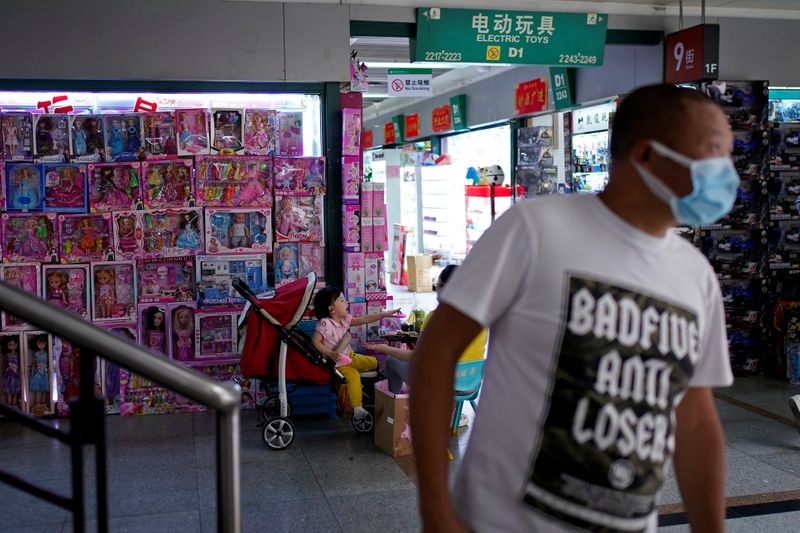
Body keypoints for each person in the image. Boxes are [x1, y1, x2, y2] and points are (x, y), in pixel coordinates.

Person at [410, 84, 738, 533]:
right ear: (646, 156)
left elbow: (696, 417)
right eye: (714, 153)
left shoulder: (696, 276)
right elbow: (437, 351)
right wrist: (436, 509)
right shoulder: (535, 229)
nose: (727, 173)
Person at [363, 265, 487, 395]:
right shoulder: (481, 318)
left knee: (391, 361)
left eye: (437, 284)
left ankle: (394, 407)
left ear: (445, 287)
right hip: (470, 385)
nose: (436, 288)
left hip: (440, 385)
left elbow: (416, 357)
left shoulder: (435, 318)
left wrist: (384, 348)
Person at [311, 287, 398, 420]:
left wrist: (385, 314)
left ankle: (381, 390)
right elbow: (315, 342)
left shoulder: (344, 319)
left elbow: (364, 319)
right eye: (342, 300)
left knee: (375, 362)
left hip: (350, 356)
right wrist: (330, 353)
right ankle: (358, 408)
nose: (346, 303)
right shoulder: (325, 323)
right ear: (331, 309)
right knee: (354, 375)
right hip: (339, 364)